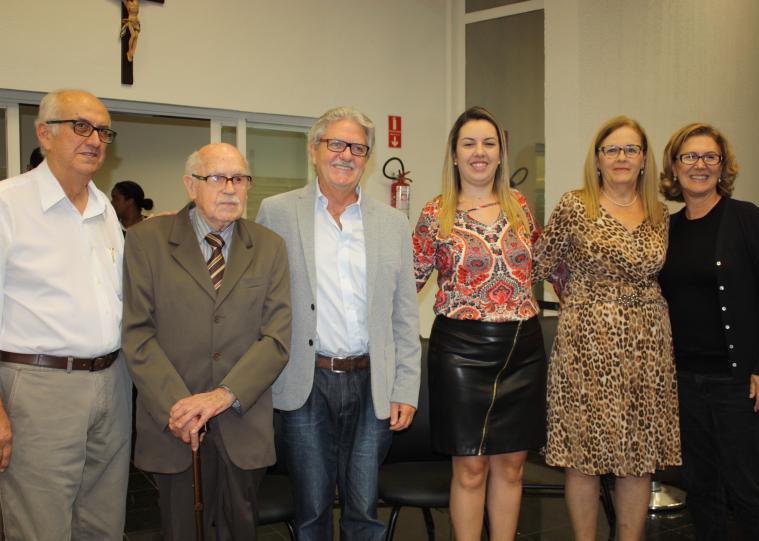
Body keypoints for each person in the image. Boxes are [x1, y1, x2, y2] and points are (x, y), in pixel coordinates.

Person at [256, 106, 421, 541]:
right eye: (336, 144)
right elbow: (258, 302)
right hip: (306, 382)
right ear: (314, 150)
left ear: (366, 158)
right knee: (311, 510)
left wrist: (405, 388)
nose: (346, 155)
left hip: (372, 384)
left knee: (363, 509)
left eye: (358, 148)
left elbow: (405, 315)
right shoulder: (277, 213)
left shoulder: (393, 224)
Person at [121, 143, 291, 540]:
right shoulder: (147, 241)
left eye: (240, 179)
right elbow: (138, 334)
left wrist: (223, 395)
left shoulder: (269, 247)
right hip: (175, 426)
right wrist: (180, 408)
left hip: (242, 422)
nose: (230, 188)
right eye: (216, 177)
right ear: (190, 185)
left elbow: (276, 338)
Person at [537, 116, 681, 540]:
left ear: (644, 159)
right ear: (597, 159)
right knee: (583, 457)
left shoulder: (660, 213)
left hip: (648, 345)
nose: (621, 157)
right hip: (586, 343)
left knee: (638, 457)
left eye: (631, 149)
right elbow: (541, 263)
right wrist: (576, 294)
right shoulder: (574, 205)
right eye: (612, 149)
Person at [0, 89, 131, 540]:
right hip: (39, 388)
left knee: (103, 523)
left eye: (103, 131)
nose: (94, 139)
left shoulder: (104, 209)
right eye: (81, 127)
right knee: (41, 526)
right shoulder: (8, 205)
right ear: (44, 134)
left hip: (112, 383)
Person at [411, 106, 546, 541]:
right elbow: (407, 283)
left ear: (501, 153)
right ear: (454, 155)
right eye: (469, 144)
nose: (479, 152)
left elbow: (547, 268)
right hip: (461, 352)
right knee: (470, 468)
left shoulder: (520, 206)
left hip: (522, 349)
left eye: (489, 143)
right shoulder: (436, 213)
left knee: (512, 466)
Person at [658, 123, 759, 541]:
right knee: (701, 489)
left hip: (739, 384)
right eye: (689, 157)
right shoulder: (667, 229)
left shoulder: (746, 218)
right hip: (685, 383)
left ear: (722, 166)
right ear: (674, 167)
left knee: (749, 492)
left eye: (709, 157)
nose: (699, 165)